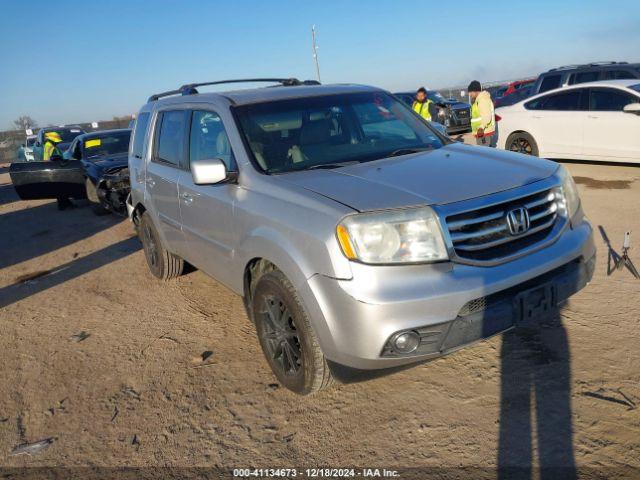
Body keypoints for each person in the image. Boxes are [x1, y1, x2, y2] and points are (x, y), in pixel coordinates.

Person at [43, 131, 75, 210]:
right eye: (56, 141)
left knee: (60, 188)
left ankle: (65, 203)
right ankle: (63, 205)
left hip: (52, 168)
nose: (57, 143)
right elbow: (55, 158)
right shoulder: (51, 146)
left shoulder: (48, 145)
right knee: (61, 187)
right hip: (55, 168)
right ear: (52, 140)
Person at [468, 80, 497, 147]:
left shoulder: (482, 100)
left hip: (483, 132)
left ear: (475, 90)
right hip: (481, 132)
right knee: (484, 153)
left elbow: (486, 115)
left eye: (470, 92)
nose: (469, 94)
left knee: (485, 153)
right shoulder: (479, 100)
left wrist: (481, 128)